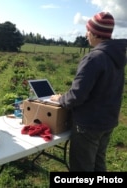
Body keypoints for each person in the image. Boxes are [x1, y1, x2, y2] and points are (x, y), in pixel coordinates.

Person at [50, 12, 127, 171]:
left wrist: (60, 99)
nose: (86, 35)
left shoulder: (94, 58)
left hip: (88, 125)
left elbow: (77, 96)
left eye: (88, 31)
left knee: (82, 168)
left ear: (94, 33)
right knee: (99, 163)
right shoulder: (116, 56)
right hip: (107, 121)